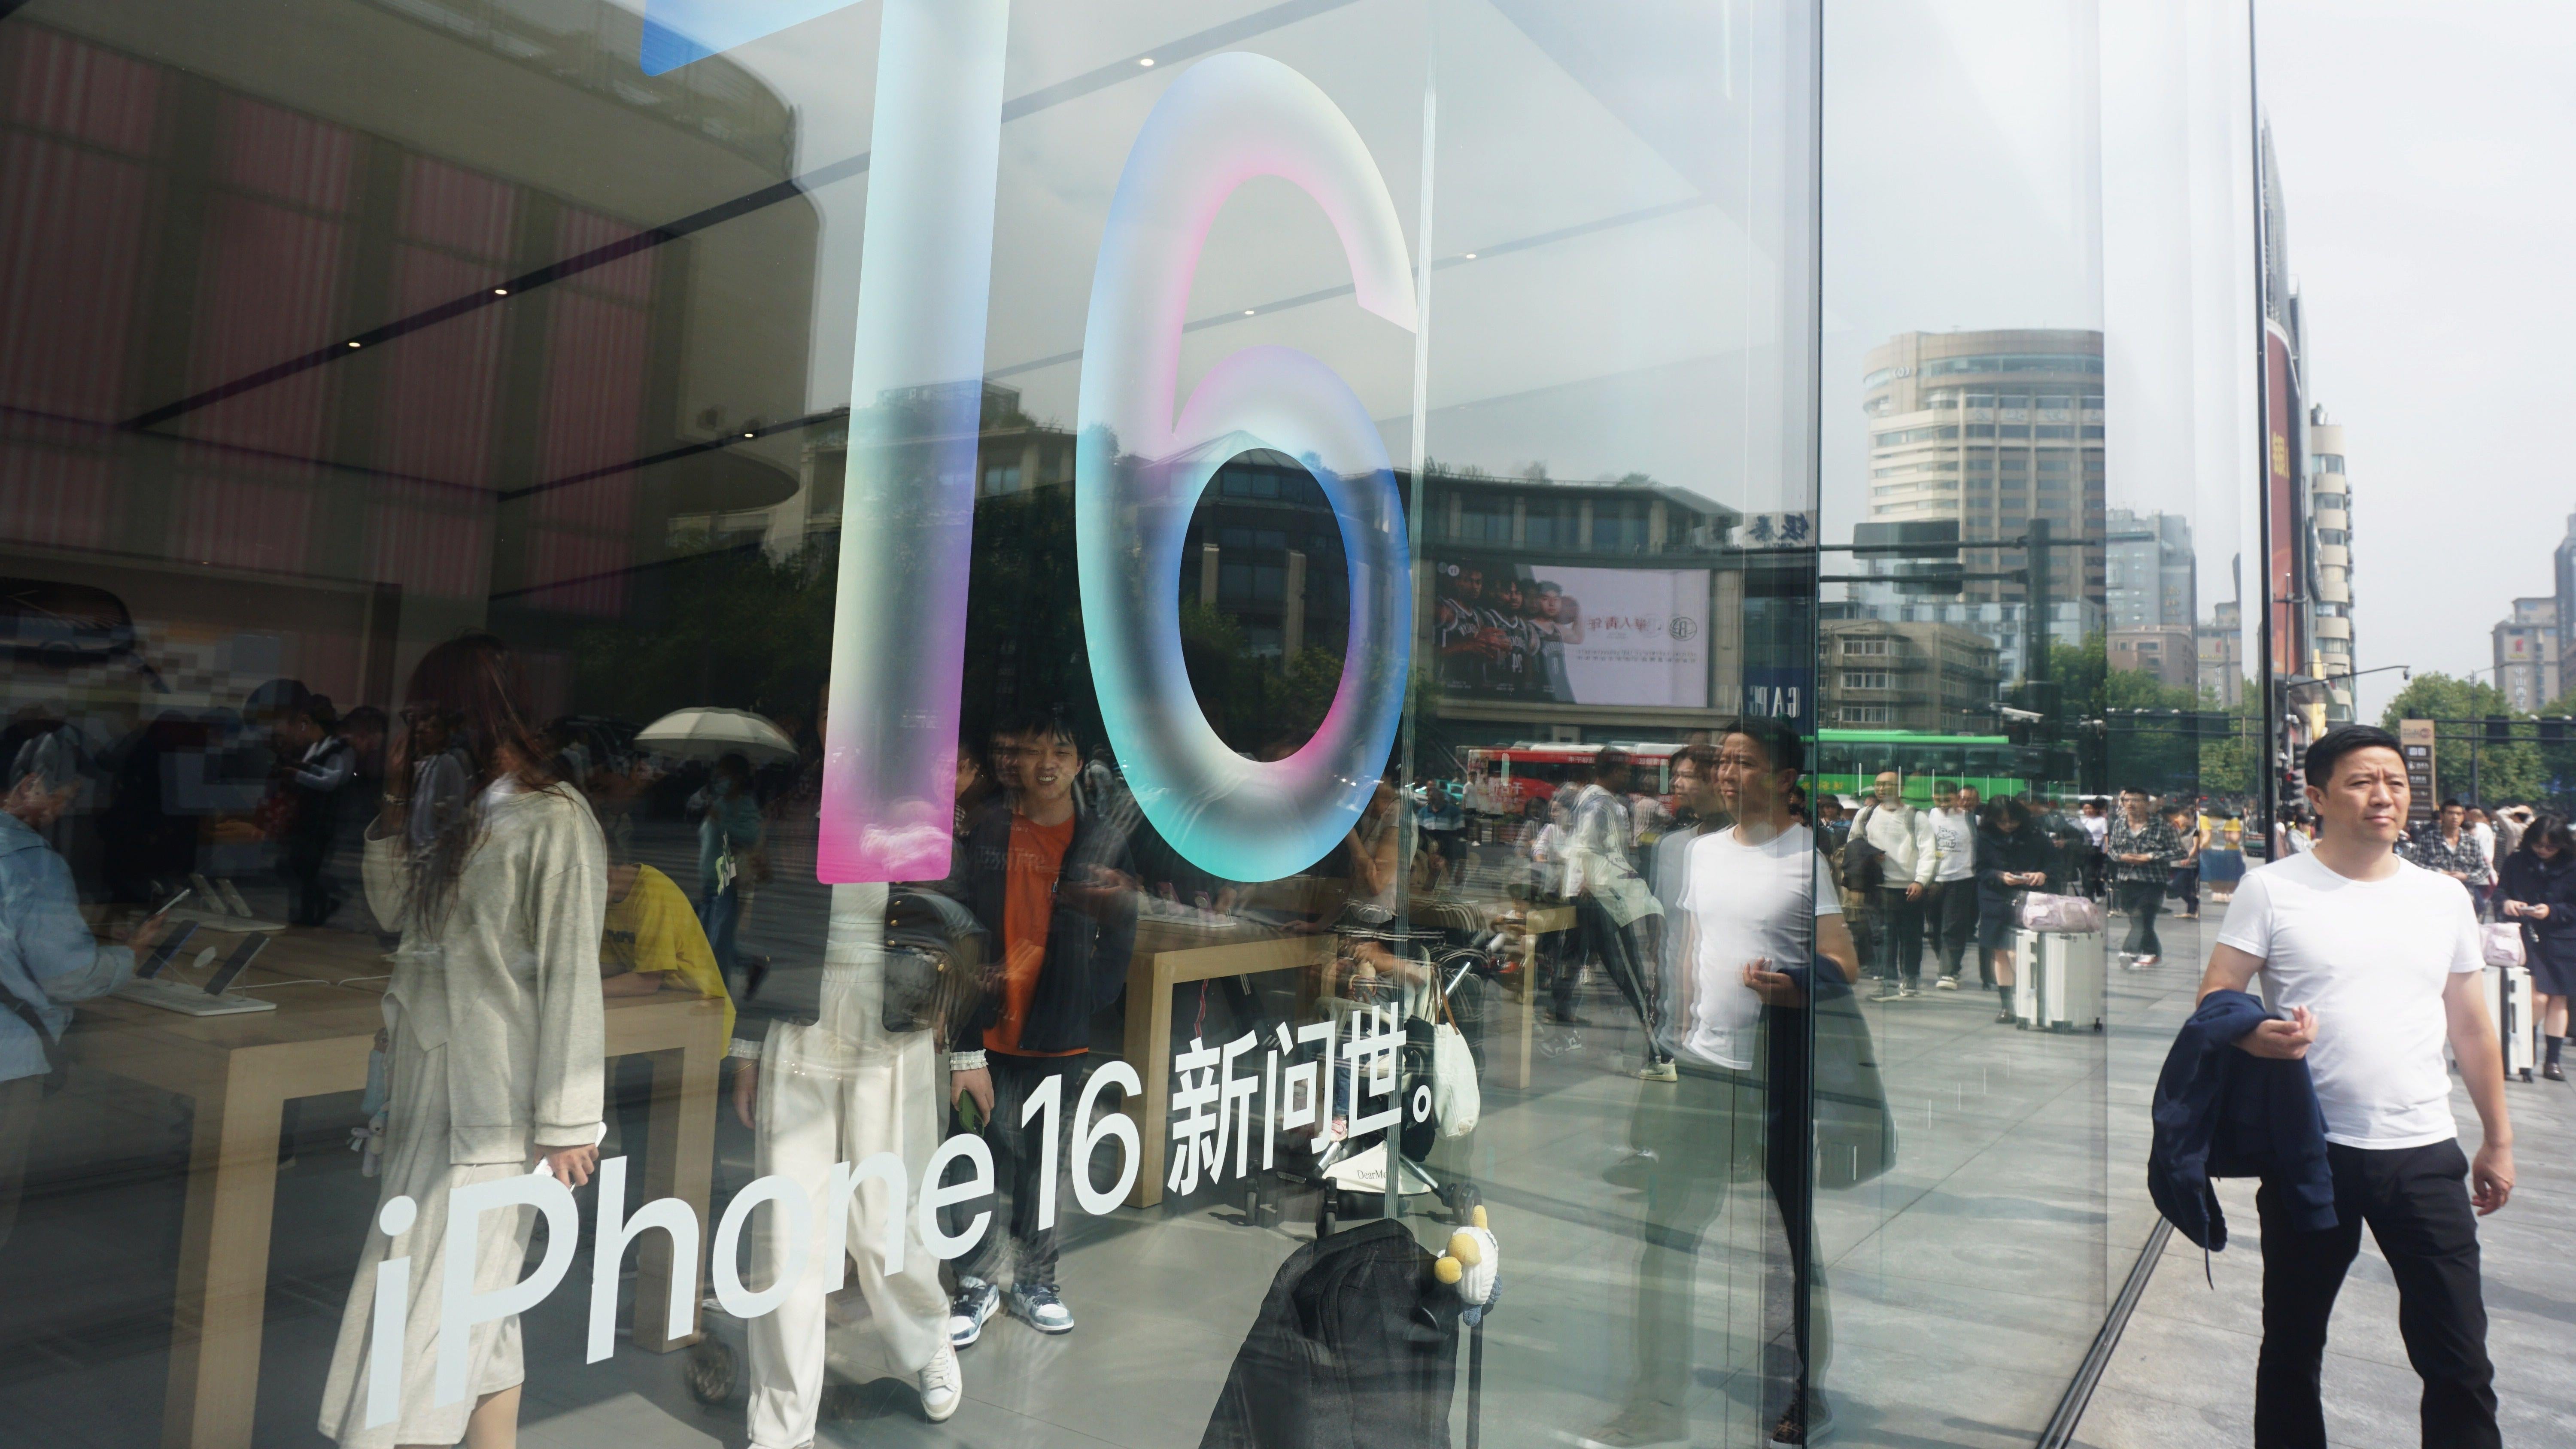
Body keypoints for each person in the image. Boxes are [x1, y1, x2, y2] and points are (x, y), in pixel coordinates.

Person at [319, 632, 608, 1449]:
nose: (418, 729)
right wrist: (392, 795)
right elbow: (390, 914)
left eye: (427, 713)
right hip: (426, 1090)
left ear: (469, 710)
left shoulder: (555, 821)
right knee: (477, 1306)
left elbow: (568, 972)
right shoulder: (459, 810)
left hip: (494, 1109)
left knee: (426, 1316)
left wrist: (567, 1118)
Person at [2196, 724, 2512, 1449]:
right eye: (2364, 781)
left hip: (2425, 1154)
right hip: (2312, 1155)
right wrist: (2252, 1032)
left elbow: (2471, 1026)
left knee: (2459, 1358)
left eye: (2396, 783)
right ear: (2318, 796)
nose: (2385, 796)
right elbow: (2218, 995)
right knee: (2294, 1347)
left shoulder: (2442, 899)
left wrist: (2498, 1138)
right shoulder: (2272, 889)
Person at [1581, 718, 1858, 1449]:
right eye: (1723, 762)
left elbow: (1844, 965)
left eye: (1744, 763)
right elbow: (1691, 948)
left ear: (1785, 778)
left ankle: (1805, 1392)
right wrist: (1669, 1037)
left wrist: (1793, 984)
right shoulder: (1698, 854)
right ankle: (1653, 1397)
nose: (1729, 774)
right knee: (1665, 1238)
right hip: (1702, 1072)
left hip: (1774, 1078)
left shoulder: (1806, 859)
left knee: (1790, 1246)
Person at [942, 709, 1138, 1344]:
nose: (1047, 761)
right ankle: (973, 1282)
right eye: (1033, 748)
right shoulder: (991, 827)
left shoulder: (1099, 835)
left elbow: (1123, 922)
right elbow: (964, 919)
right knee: (972, 1156)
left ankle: (1035, 1280)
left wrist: (1095, 993)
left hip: (1058, 1028)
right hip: (986, 1027)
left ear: (1079, 762)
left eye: (1061, 748)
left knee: (1041, 1163)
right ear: (1015, 762)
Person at [0, 730, 159, 1249]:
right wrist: (127, 957)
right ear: (31, 784)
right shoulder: (31, 863)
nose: (60, 814)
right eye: (62, 800)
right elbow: (65, 975)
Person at [1564, 748, 1672, 1078]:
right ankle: (1658, 1054)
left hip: (1599, 894)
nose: (1629, 776)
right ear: (1609, 770)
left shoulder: (1594, 800)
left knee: (1578, 968)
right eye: (1624, 771)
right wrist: (1587, 883)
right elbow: (1586, 847)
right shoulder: (1601, 804)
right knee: (1628, 974)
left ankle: (1572, 1030)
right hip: (1604, 898)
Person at [2497, 813, 2576, 1082]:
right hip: (2526, 937)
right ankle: (2526, 1054)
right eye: (2538, 845)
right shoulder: (2517, 861)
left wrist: (2553, 911)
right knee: (2536, 998)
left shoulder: (2573, 865)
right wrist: (2507, 903)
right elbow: (2501, 892)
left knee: (2559, 999)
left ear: (2562, 845)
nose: (2543, 851)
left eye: (2551, 846)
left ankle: (2552, 1061)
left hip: (2564, 939)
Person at [1853, 771, 1935, 1001]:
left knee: (1911, 936)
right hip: (1878, 886)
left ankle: (1910, 978)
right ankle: (1887, 982)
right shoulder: (1866, 815)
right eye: (1878, 784)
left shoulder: (1916, 817)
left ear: (1901, 788)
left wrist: (1921, 880)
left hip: (1909, 888)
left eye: (1887, 785)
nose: (1881, 789)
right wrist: (1867, 856)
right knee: (1883, 936)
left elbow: (1929, 851)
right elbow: (1854, 843)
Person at [277, 693, 356, 926]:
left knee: (308, 866)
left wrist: (299, 774)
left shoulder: (340, 749)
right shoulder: (317, 748)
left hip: (323, 818)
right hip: (308, 816)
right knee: (298, 864)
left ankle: (311, 910)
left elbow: (332, 781)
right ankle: (310, 908)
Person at [689, 753, 766, 992]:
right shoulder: (718, 803)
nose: (719, 779)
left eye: (724, 775)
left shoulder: (745, 805)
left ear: (738, 778)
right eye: (718, 774)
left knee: (717, 944)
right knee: (707, 940)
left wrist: (722, 823)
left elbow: (751, 835)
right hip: (709, 881)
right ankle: (751, 966)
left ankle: (716, 995)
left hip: (726, 880)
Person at [1975, 796, 2050, 1023]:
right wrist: (1999, 876)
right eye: (2002, 822)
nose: (2008, 826)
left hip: (2029, 899)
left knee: (2019, 951)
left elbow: (2053, 862)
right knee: (1999, 951)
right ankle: (2007, 1006)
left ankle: (2030, 1001)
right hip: (1995, 899)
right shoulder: (1984, 838)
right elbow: (1980, 870)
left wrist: (2042, 874)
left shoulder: (2036, 835)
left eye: (2013, 821)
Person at [2105, 789, 2182, 968]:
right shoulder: (2119, 824)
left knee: (2143, 916)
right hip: (2126, 880)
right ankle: (2153, 953)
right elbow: (2112, 850)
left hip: (2152, 881)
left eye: (2137, 800)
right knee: (2137, 919)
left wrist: (2151, 857)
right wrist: (2122, 857)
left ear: (2147, 804)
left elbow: (2179, 851)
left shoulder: (2161, 825)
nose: (2131, 804)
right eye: (2127, 800)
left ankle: (2129, 951)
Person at [1925, 784, 1979, 989]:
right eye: (1938, 800)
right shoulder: (1927, 817)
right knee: (1934, 928)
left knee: (1953, 927)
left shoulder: (1972, 820)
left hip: (1961, 879)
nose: (1943, 804)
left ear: (1957, 798)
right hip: (1933, 880)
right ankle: (1947, 962)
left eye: (1947, 800)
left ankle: (1948, 972)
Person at [2407, 798, 2494, 910]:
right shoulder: (2429, 839)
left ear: (2463, 817)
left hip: (2465, 898)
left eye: (2459, 814)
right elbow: (2416, 864)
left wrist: (2467, 877)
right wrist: (2439, 872)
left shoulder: (2472, 842)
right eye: (2451, 813)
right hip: (2435, 898)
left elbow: (2484, 868)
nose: (2455, 817)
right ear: (2442, 816)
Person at [2164, 802, 2203, 921]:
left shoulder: (2194, 831)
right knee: (2188, 889)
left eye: (2181, 818)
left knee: (2177, 886)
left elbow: (2195, 847)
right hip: (2176, 864)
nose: (2178, 820)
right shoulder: (2174, 830)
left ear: (2188, 819)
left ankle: (2194, 903)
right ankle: (2192, 911)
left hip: (2190, 865)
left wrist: (2189, 858)